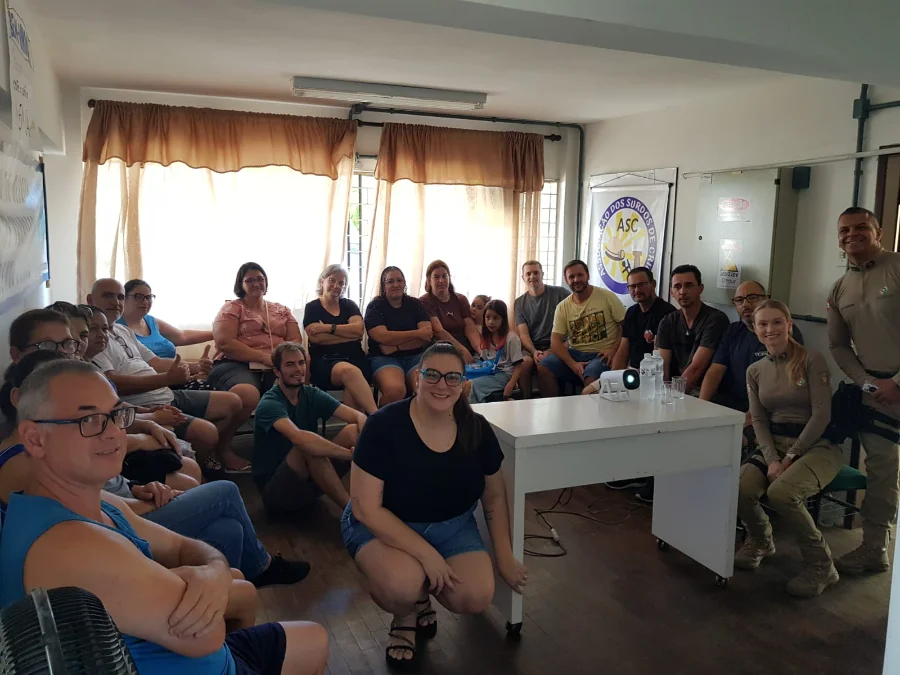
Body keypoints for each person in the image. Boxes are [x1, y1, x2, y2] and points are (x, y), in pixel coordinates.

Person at [0, 359, 329, 675]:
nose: (114, 432)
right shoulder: (69, 545)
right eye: (89, 420)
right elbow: (205, 635)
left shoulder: (87, 498)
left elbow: (180, 545)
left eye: (116, 414)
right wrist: (202, 576)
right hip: (184, 661)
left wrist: (213, 572)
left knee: (314, 638)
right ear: (34, 438)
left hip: (195, 656)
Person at [0, 350, 311, 588]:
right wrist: (146, 497)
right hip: (118, 539)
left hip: (126, 512)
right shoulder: (25, 463)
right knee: (225, 493)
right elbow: (98, 520)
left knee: (226, 531)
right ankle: (256, 571)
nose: (108, 430)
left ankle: (225, 599)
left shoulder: (56, 452)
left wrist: (137, 487)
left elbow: (102, 499)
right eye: (87, 417)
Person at [341, 342, 528, 669]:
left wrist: (505, 557)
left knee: (477, 594)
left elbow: (494, 495)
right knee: (401, 585)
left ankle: (420, 589)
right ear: (417, 379)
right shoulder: (384, 426)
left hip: (450, 527)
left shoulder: (476, 428)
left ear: (463, 385)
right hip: (383, 526)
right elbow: (365, 509)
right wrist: (428, 556)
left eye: (452, 378)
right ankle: (406, 613)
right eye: (433, 375)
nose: (442, 385)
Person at [5, 309, 202, 490]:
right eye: (47, 346)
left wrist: (148, 422)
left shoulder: (74, 379)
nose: (62, 354)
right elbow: (83, 452)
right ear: (16, 355)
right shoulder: (27, 401)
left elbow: (105, 418)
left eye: (67, 343)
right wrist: (142, 439)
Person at [736, 300, 841, 597]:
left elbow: (822, 415)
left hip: (818, 446)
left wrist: (791, 456)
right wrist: (771, 459)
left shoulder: (811, 360)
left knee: (782, 492)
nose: (770, 329)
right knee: (740, 488)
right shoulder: (755, 371)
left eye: (777, 322)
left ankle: (822, 565)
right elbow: (758, 419)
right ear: (755, 330)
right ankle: (761, 539)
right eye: (763, 324)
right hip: (775, 447)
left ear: (789, 324)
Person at [88, 278, 245, 472]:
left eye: (119, 297)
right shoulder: (94, 339)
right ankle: (194, 468)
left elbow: (156, 362)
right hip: (145, 402)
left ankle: (203, 455)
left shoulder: (122, 330)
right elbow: (112, 384)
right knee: (208, 433)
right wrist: (168, 379)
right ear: (90, 300)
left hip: (166, 392)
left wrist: (197, 366)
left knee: (233, 402)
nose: (116, 302)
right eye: (108, 296)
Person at [827, 206, 900, 576]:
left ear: (878, 232)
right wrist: (865, 382)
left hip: (898, 384)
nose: (850, 234)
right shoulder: (840, 287)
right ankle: (875, 548)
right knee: (883, 470)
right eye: (844, 230)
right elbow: (838, 346)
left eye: (860, 228)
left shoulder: (897, 267)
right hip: (874, 393)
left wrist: (897, 382)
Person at [253, 342, 365, 518]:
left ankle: (375, 498)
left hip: (310, 484)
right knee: (307, 447)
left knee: (353, 431)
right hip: (278, 495)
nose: (298, 369)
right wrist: (351, 455)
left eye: (301, 363)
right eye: (290, 365)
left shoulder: (310, 393)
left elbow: (358, 417)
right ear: (276, 371)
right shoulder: (269, 403)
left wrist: (367, 443)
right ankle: (354, 514)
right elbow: (300, 439)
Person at [208, 263, 303, 469]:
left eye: (260, 278)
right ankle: (222, 448)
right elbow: (225, 342)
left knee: (296, 391)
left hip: (275, 364)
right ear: (240, 284)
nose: (256, 283)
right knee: (247, 394)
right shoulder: (231, 308)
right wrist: (263, 357)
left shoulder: (281, 310)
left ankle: (286, 448)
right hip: (235, 363)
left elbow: (295, 339)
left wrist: (278, 359)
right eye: (249, 280)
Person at [700, 282, 804, 458]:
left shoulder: (783, 334)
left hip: (769, 412)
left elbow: (783, 387)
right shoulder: (733, 330)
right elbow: (715, 371)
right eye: (739, 300)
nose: (745, 304)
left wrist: (746, 420)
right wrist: (701, 407)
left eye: (752, 298)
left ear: (766, 300)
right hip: (734, 405)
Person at [538, 259, 625, 396]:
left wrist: (613, 349)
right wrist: (573, 364)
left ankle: (588, 417)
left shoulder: (606, 296)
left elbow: (626, 326)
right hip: (575, 353)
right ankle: (553, 411)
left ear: (588, 276)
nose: (576, 280)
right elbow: (555, 342)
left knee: (591, 378)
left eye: (580, 275)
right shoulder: (562, 307)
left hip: (600, 355)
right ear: (566, 281)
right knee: (543, 367)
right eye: (571, 277)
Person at [302, 264, 376, 414]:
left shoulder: (349, 305)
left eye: (342, 283)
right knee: (350, 372)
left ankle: (357, 430)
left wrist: (328, 328)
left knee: (352, 386)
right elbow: (317, 339)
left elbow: (359, 331)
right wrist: (347, 334)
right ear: (322, 281)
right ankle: (376, 417)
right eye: (332, 280)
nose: (337, 286)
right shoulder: (312, 307)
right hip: (325, 361)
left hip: (355, 357)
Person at [364, 266, 433, 406]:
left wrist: (396, 346)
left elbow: (426, 335)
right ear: (383, 286)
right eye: (390, 281)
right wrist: (416, 333)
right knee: (396, 390)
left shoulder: (415, 304)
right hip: (383, 358)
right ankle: (380, 424)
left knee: (424, 388)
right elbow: (382, 336)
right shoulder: (375, 306)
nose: (396, 284)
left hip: (415, 356)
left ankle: (418, 425)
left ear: (404, 283)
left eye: (399, 280)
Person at [656, 264, 729, 393]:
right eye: (677, 287)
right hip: (673, 390)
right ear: (671, 292)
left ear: (700, 288)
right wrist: (662, 395)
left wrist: (672, 397)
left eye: (688, 285)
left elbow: (697, 368)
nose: (682, 292)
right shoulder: (667, 322)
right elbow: (662, 367)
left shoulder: (716, 319)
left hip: (706, 393)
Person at [515, 260, 570, 398]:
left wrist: (552, 350)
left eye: (535, 273)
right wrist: (534, 352)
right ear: (523, 278)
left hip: (559, 344)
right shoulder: (519, 303)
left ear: (542, 274)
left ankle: (549, 407)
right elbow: (523, 334)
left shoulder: (560, 294)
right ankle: (526, 402)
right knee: (524, 363)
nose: (532, 276)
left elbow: (574, 324)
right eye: (528, 273)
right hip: (532, 348)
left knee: (544, 365)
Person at [119, 279, 214, 359]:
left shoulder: (152, 322)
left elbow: (182, 336)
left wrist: (216, 334)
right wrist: (194, 367)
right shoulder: (115, 327)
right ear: (124, 298)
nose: (145, 302)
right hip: (146, 378)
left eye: (149, 297)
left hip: (175, 376)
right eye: (139, 297)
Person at [610, 267, 675, 372]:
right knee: (590, 389)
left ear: (653, 284)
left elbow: (658, 358)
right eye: (632, 286)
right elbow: (623, 351)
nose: (637, 290)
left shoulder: (667, 313)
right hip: (632, 372)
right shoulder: (631, 312)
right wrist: (611, 376)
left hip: (653, 375)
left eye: (641, 285)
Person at [419, 260, 482, 363]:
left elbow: (470, 328)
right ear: (429, 280)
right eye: (436, 277)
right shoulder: (424, 301)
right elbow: (439, 332)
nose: (441, 281)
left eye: (444, 276)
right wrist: (463, 352)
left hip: (464, 345)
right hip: (440, 349)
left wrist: (480, 351)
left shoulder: (461, 299)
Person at [467, 299, 525, 403]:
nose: (490, 322)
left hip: (505, 374)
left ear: (503, 319)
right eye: (487, 317)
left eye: (496, 318)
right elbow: (483, 360)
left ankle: (476, 415)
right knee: (464, 380)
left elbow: (519, 366)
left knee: (472, 386)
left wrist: (510, 385)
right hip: (491, 370)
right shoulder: (487, 335)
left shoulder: (511, 338)